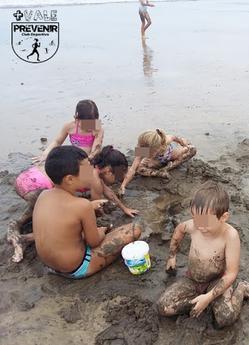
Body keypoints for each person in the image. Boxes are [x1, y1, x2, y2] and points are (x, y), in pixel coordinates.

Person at [157, 181, 249, 328]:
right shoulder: (195, 225)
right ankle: (200, 301)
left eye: (206, 221)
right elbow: (179, 230)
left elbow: (231, 273)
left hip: (217, 281)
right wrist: (172, 256)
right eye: (196, 218)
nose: (200, 225)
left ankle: (242, 289)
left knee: (225, 319)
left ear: (223, 217)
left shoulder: (230, 236)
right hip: (192, 279)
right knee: (163, 307)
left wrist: (209, 297)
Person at [7, 145, 138, 263]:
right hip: (75, 267)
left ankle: (21, 228)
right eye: (86, 168)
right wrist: (102, 229)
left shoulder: (45, 195)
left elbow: (108, 191)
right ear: (109, 170)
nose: (89, 171)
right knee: (134, 229)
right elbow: (94, 241)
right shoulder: (85, 199)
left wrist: (124, 208)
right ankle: (26, 238)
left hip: (27, 179)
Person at [119, 129, 196, 195]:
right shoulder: (143, 149)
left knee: (192, 149)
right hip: (156, 161)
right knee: (139, 169)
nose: (145, 150)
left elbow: (175, 138)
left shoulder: (165, 140)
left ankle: (169, 167)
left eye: (152, 151)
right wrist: (123, 185)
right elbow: (133, 168)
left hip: (171, 155)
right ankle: (159, 173)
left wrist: (184, 144)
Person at [33, 99, 104, 164]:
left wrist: (87, 161)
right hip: (75, 157)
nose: (90, 127)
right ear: (76, 119)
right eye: (86, 124)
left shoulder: (98, 129)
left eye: (93, 123)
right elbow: (57, 142)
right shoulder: (69, 127)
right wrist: (46, 154)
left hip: (91, 159)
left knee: (86, 174)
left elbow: (95, 151)